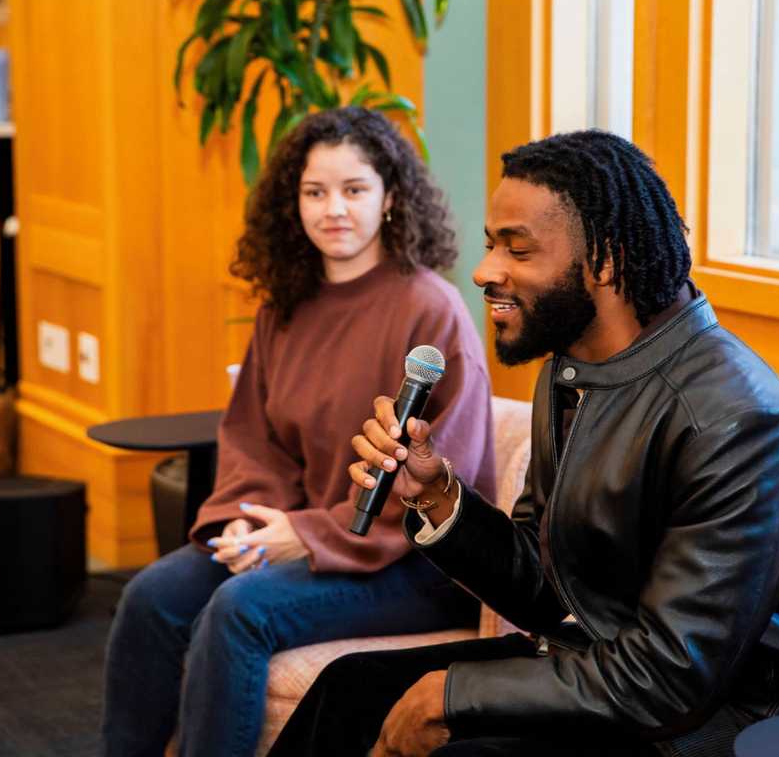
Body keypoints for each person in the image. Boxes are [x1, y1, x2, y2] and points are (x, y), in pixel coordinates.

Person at [271, 130, 779, 757]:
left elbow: (673, 676)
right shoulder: (573, 372)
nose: (486, 271)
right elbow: (544, 589)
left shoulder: (737, 420)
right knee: (351, 688)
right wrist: (435, 495)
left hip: (755, 714)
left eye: (517, 250)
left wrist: (451, 696)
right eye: (492, 245)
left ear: (606, 260)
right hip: (623, 662)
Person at [100, 107, 495, 757]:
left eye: (354, 190)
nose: (333, 209)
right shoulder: (283, 306)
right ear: (295, 203)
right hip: (311, 536)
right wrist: (245, 518)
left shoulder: (430, 310)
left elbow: (439, 480)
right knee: (151, 597)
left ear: (390, 198)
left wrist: (307, 535)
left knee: (240, 611)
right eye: (315, 192)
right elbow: (254, 439)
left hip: (414, 564)